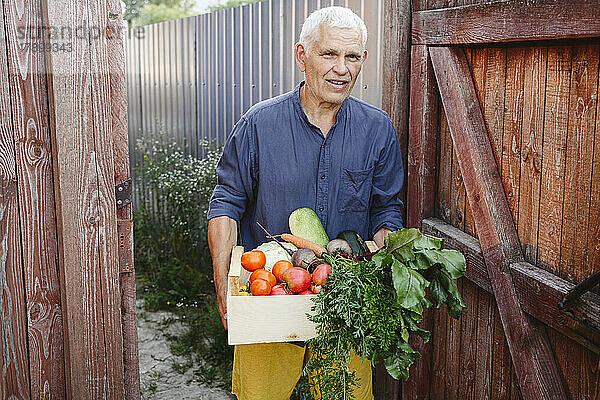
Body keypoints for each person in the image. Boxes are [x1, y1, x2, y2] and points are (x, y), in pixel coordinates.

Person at [207, 6, 404, 400]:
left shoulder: (377, 129)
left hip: (343, 302)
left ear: (363, 60)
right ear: (302, 56)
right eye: (329, 54)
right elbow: (226, 203)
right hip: (271, 293)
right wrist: (223, 282)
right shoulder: (258, 125)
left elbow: (388, 210)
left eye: (351, 57)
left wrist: (372, 258)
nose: (341, 69)